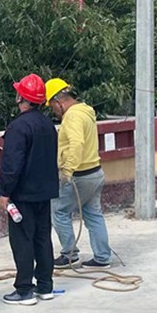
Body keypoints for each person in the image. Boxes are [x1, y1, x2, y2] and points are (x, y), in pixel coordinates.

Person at [0, 73, 59, 305]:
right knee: (42, 238)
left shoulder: (18, 127)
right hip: (44, 192)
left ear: (21, 97)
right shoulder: (48, 125)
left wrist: (4, 192)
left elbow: (12, 165)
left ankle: (24, 290)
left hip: (22, 194)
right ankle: (45, 286)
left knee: (22, 240)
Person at [45, 77, 111, 269]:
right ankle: (102, 257)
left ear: (59, 100)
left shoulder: (72, 116)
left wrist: (67, 170)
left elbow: (76, 144)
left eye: (52, 105)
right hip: (95, 172)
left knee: (59, 211)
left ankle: (69, 255)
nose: (53, 110)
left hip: (79, 175)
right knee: (93, 214)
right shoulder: (86, 111)